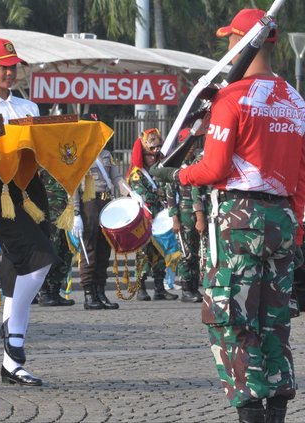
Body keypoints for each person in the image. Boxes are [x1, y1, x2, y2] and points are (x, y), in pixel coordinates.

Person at [150, 9, 305, 422]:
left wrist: (178, 173)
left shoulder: (231, 97)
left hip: (239, 220)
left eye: (230, 39)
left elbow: (215, 169)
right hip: (283, 221)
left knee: (230, 320)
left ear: (242, 41)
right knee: (274, 324)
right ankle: (276, 411)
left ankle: (250, 411)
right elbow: (302, 176)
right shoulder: (294, 98)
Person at [0, 37, 58, 386]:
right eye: (2, 66)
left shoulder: (29, 106)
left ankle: (11, 365)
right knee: (40, 259)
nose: (9, 71)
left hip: (31, 191)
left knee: (18, 269)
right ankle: (13, 329)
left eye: (13, 65)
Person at [72, 131, 130, 310]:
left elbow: (116, 177)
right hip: (89, 202)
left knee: (104, 248)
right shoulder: (78, 153)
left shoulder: (106, 154)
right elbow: (73, 184)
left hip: (106, 202)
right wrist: (75, 213)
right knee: (90, 248)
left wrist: (129, 192)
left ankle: (100, 291)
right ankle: (89, 294)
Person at [127, 128, 179, 302]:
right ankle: (141, 288)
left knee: (159, 253)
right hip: (144, 218)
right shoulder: (137, 174)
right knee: (143, 254)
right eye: (149, 155)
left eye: (155, 156)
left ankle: (159, 289)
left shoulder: (158, 171)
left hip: (160, 218)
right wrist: (159, 195)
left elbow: (167, 188)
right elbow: (142, 193)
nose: (152, 158)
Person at [165, 143, 203, 303]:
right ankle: (186, 289)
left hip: (198, 212)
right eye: (188, 148)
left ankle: (194, 287)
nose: (191, 150)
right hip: (184, 212)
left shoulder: (198, 163)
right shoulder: (176, 167)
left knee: (196, 253)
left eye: (192, 148)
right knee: (186, 254)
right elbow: (170, 195)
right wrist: (174, 218)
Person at [37, 169, 75, 307]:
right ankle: (44, 292)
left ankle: (55, 290)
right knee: (51, 249)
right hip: (49, 209)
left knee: (66, 251)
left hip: (67, 209)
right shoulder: (43, 158)